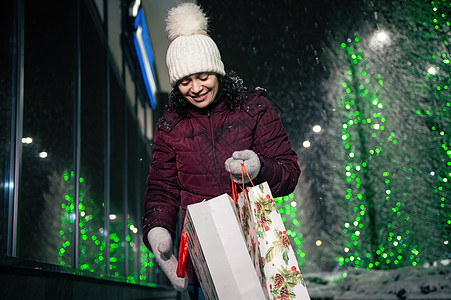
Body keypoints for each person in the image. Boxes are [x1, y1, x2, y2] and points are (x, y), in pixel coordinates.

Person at [142, 3, 301, 299]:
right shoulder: (170, 125)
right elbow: (161, 187)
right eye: (185, 81)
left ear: (217, 71)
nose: (196, 88)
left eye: (203, 76)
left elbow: (289, 173)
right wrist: (157, 228)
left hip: (257, 247)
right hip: (205, 257)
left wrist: (259, 167)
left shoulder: (254, 108)